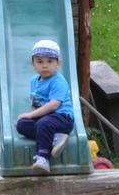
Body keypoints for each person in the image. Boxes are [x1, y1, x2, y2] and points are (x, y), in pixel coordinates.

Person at [15, 39, 74, 175]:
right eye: (40, 62)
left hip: (62, 118)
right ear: (33, 64)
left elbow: (54, 105)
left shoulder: (59, 81)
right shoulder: (34, 81)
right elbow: (37, 104)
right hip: (46, 119)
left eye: (50, 61)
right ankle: (55, 138)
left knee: (43, 123)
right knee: (22, 125)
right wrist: (28, 116)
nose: (45, 66)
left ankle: (43, 159)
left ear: (58, 63)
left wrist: (31, 115)